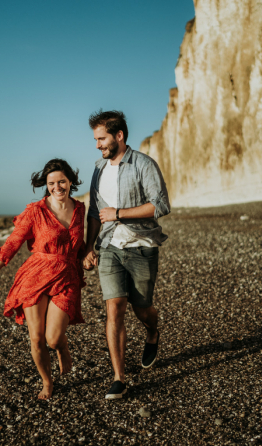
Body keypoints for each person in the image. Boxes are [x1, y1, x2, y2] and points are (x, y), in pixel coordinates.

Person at [0, 159, 86, 400]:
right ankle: (47, 382)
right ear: (46, 184)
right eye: (51, 183)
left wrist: (88, 254)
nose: (57, 187)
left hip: (66, 276)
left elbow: (78, 244)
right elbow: (13, 242)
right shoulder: (35, 211)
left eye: (62, 181)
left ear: (70, 181)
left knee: (53, 338)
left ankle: (62, 347)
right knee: (36, 337)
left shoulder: (79, 209)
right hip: (36, 276)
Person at [82, 110, 171, 400]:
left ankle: (153, 334)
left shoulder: (144, 164)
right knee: (114, 308)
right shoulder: (98, 168)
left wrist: (119, 214)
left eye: (101, 138)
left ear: (119, 136)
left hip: (142, 246)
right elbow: (95, 213)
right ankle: (119, 377)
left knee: (142, 308)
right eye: (95, 139)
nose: (97, 145)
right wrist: (88, 246)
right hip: (109, 248)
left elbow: (160, 205)